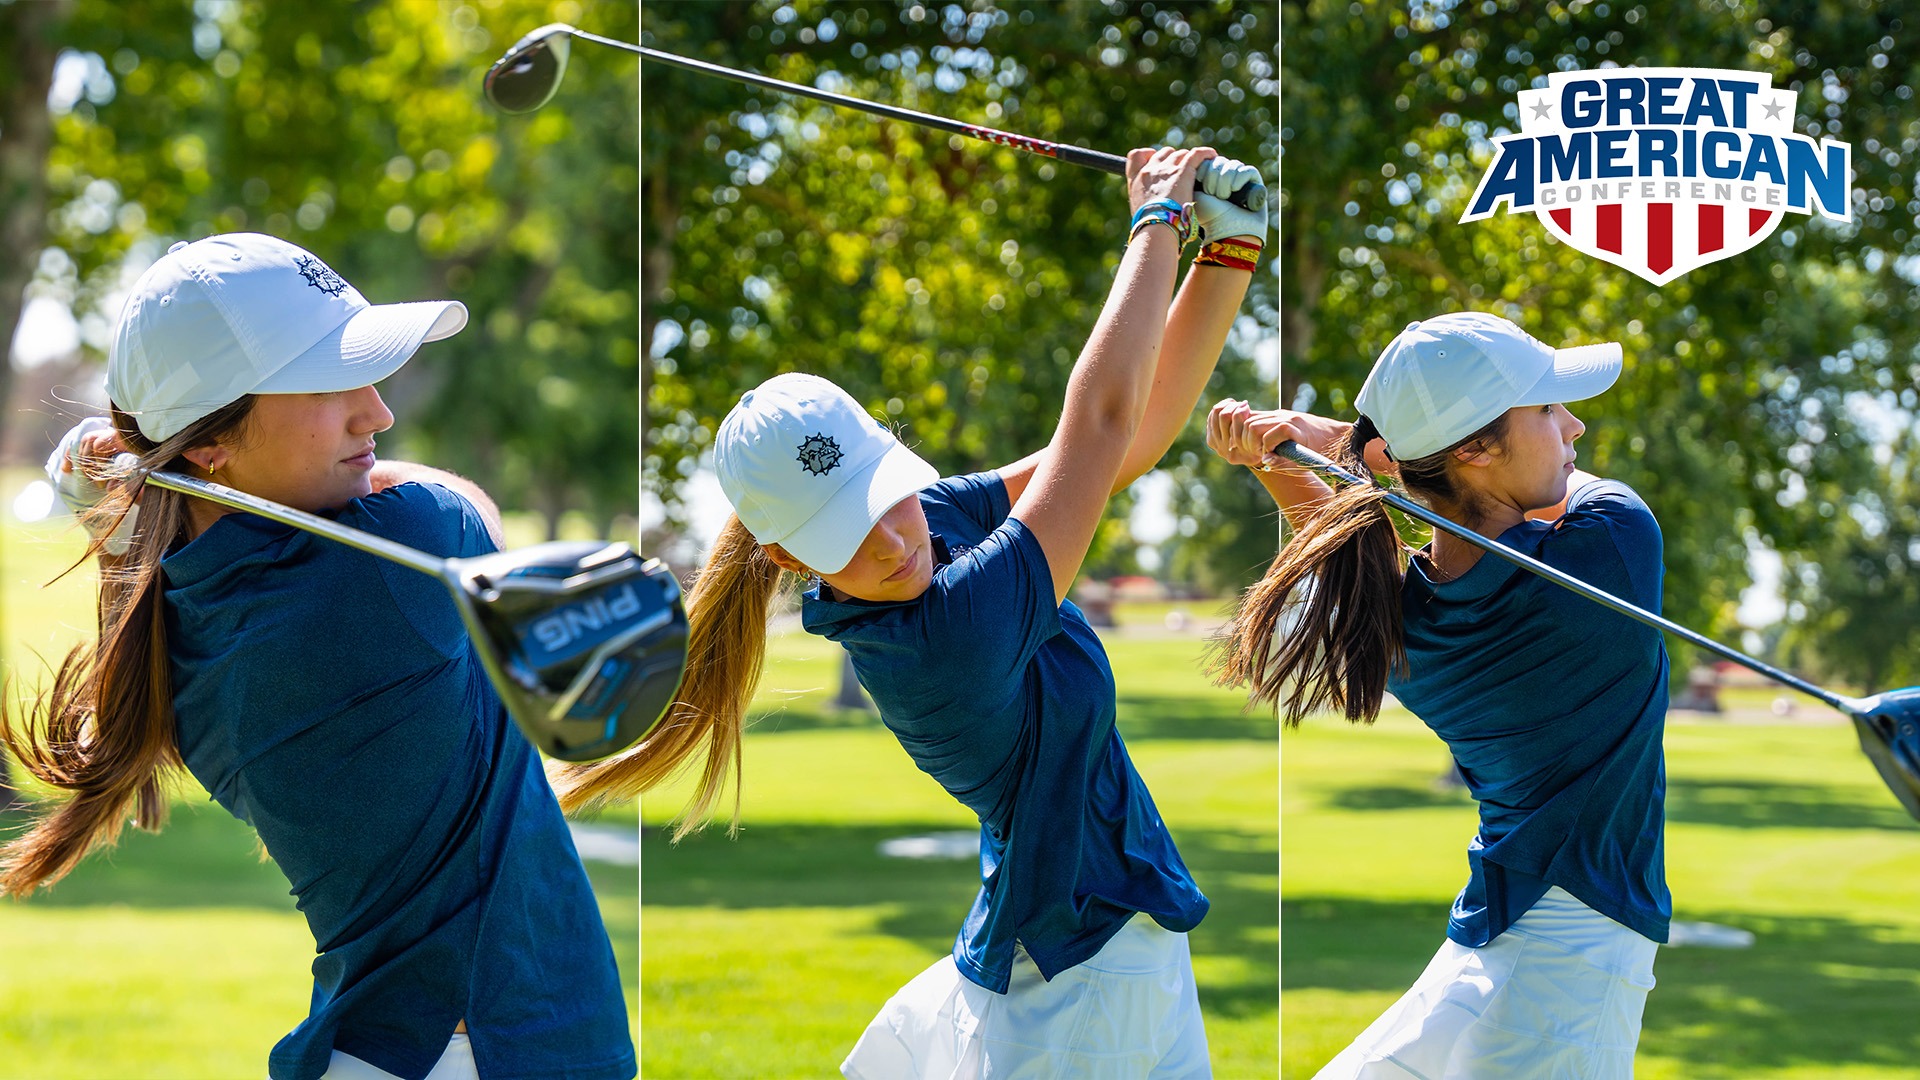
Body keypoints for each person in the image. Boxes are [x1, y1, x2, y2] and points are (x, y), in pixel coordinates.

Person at [550, 145, 1266, 1076]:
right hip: (1082, 984)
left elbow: (1125, 443)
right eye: (846, 533)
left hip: (1084, 950)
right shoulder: (943, 637)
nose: (892, 542)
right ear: (787, 558)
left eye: (881, 495)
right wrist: (1157, 225)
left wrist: (1228, 252)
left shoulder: (929, 522)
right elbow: (1095, 427)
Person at [2, 234, 636, 1080]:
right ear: (209, 446)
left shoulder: (182, 618)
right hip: (490, 1048)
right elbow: (466, 508)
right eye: (326, 382)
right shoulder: (393, 568)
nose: (376, 412)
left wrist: (131, 467)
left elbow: (179, 508)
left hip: (402, 1048)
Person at [1206, 312, 1668, 1079]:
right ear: (1479, 449)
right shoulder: (1615, 547)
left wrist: (1291, 457)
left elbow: (1356, 529)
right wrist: (1325, 441)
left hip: (1500, 934)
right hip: (1575, 965)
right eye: (1550, 409)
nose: (1575, 426)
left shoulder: (1394, 623)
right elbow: (1557, 492)